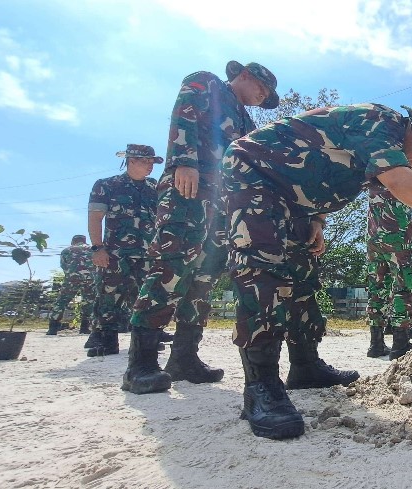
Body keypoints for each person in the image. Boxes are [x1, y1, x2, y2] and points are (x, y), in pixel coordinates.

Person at [221, 102, 412, 440]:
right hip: (254, 173)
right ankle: (261, 386)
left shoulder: (378, 149)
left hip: (295, 200)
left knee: (301, 274)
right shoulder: (380, 123)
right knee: (262, 271)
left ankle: (304, 365)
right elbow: (400, 182)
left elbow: (323, 172)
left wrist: (317, 219)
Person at [125, 61, 279, 395]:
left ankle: (183, 358)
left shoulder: (245, 119)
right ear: (246, 76)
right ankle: (140, 364)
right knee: (172, 267)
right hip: (188, 190)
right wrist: (184, 161)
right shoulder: (207, 83)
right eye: (261, 90)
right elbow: (184, 113)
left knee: (204, 277)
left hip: (223, 202)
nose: (260, 97)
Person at [88, 145, 162, 358]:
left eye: (152, 162)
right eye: (145, 161)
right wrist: (97, 248)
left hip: (148, 254)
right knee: (109, 296)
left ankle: (145, 341)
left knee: (148, 297)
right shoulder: (107, 185)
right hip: (116, 253)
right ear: (130, 160)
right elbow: (95, 217)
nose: (150, 166)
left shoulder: (154, 188)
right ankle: (106, 339)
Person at [364, 181, 412, 360]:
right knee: (408, 285)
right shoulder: (405, 170)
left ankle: (375, 344)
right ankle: (400, 344)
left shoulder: (375, 169)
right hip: (397, 234)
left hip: (373, 236)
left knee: (377, 287)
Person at [47, 235, 96, 336]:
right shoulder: (92, 249)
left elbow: (63, 266)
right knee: (88, 302)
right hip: (90, 280)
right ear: (84, 240)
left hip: (71, 279)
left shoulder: (66, 250)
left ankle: (53, 328)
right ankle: (84, 328)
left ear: (73, 241)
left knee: (61, 301)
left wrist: (71, 274)